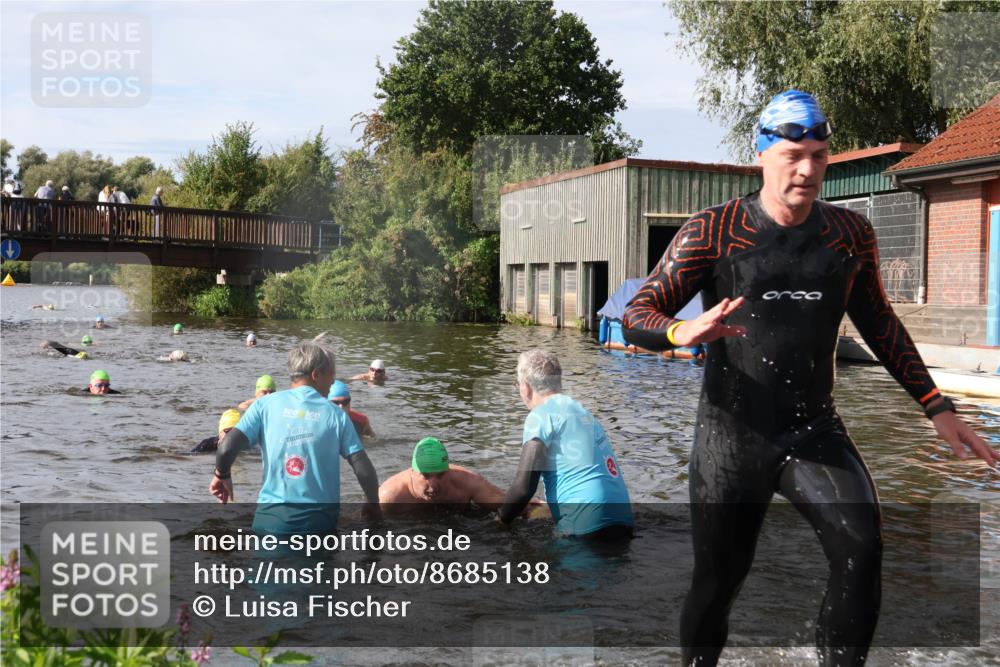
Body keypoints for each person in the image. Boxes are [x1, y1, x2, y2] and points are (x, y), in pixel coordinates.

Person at [621, 89, 999, 667]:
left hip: (813, 431)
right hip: (731, 436)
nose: (807, 169)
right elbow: (637, 314)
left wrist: (938, 407)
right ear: (762, 155)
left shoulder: (848, 236)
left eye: (819, 156)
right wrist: (680, 333)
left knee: (862, 546)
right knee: (718, 585)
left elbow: (882, 326)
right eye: (793, 154)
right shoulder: (713, 231)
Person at [208, 342, 382, 533]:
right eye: (331, 374)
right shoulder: (337, 415)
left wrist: (221, 475)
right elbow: (362, 468)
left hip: (270, 524)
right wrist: (373, 503)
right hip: (319, 526)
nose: (333, 381)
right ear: (316, 375)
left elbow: (226, 448)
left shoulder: (263, 406)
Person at [499, 349, 634, 540]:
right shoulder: (583, 412)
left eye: (518, 384)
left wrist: (500, 520)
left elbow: (523, 489)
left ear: (526, 387)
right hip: (623, 520)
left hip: (585, 524)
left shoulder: (539, 416)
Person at [380, 437, 546, 518]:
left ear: (449, 471)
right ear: (412, 472)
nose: (433, 485)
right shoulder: (389, 495)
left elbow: (510, 504)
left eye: (440, 475)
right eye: (425, 476)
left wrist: (536, 508)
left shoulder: (467, 482)